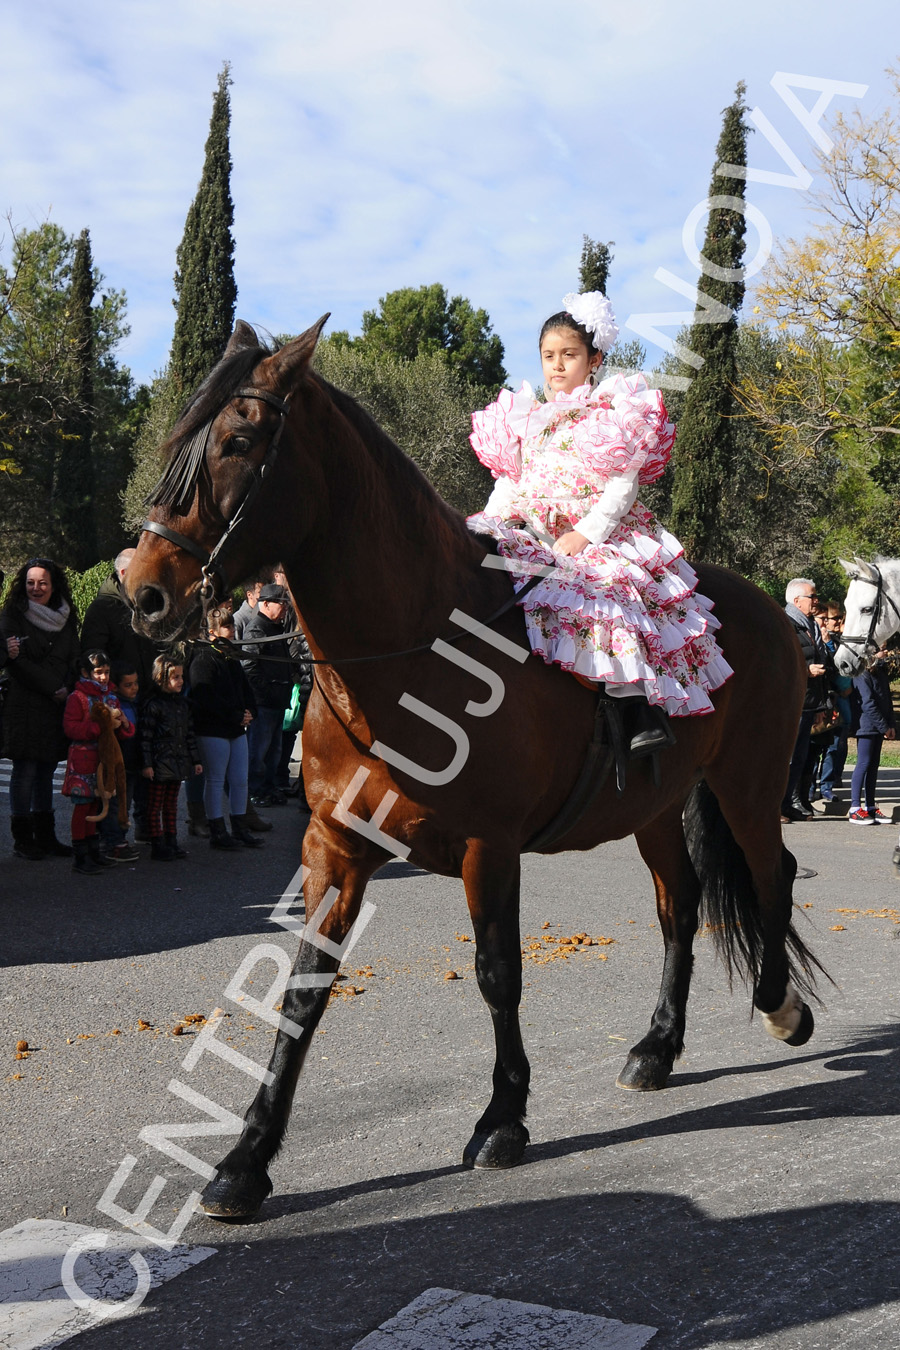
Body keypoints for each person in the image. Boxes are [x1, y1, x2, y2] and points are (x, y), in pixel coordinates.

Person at [468, 291, 732, 752]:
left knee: (614, 597)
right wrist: (489, 524)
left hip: (602, 537)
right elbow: (513, 482)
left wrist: (585, 534)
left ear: (594, 360)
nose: (556, 365)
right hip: (538, 538)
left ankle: (636, 711)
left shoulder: (613, 411)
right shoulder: (525, 419)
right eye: (548, 355)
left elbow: (622, 487)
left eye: (569, 354)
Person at [0, 557, 80, 860]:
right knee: (25, 771)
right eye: (31, 582)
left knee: (47, 770)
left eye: (42, 582)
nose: (36, 588)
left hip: (56, 705)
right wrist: (53, 688)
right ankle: (23, 839)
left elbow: (75, 655)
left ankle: (46, 836)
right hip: (24, 704)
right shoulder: (12, 615)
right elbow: (15, 662)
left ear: (53, 585)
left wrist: (68, 687)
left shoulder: (67, 616)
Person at [187, 607, 263, 850]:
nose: (232, 631)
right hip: (213, 730)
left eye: (232, 626)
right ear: (212, 632)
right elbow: (205, 697)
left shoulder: (231, 657)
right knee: (216, 779)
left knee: (240, 779)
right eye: (227, 627)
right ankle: (217, 830)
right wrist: (235, 716)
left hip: (235, 728)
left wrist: (250, 711)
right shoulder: (203, 658)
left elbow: (245, 689)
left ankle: (240, 827)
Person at [62, 649, 136, 875]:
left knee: (98, 803)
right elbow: (70, 727)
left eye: (106, 672)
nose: (103, 677)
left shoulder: (111, 697)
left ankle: (94, 851)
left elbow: (122, 732)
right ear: (85, 672)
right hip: (84, 758)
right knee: (83, 805)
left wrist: (124, 725)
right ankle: (80, 855)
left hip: (105, 760)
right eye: (98, 672)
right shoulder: (78, 698)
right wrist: (98, 727)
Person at [140, 654, 202, 862]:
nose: (180, 681)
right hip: (160, 762)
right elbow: (146, 737)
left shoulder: (183, 705)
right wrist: (147, 764)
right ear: (161, 678)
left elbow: (189, 734)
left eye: (181, 676)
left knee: (171, 804)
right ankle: (158, 844)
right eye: (175, 677)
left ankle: (172, 841)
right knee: (155, 805)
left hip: (177, 761)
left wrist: (196, 760)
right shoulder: (153, 705)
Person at [781, 579, 829, 822]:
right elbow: (778, 663)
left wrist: (820, 705)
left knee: (799, 758)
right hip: (789, 704)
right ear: (796, 601)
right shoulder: (785, 624)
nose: (816, 601)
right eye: (812, 596)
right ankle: (775, 806)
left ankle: (788, 803)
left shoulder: (809, 625)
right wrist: (806, 671)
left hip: (808, 702)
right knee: (786, 757)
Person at [242, 584, 295, 806]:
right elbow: (249, 667)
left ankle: (269, 788)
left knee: (274, 752)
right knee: (259, 752)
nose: (284, 609)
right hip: (264, 703)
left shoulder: (276, 628)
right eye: (281, 604)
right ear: (265, 604)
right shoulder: (257, 629)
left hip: (277, 700)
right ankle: (255, 791)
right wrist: (266, 692)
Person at [97, 661, 142, 861]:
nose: (134, 688)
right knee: (113, 804)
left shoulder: (136, 703)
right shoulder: (114, 704)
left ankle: (119, 838)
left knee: (126, 803)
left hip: (132, 762)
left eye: (135, 683)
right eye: (128, 684)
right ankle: (111, 841)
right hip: (117, 762)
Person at [848, 652, 896, 825]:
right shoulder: (861, 674)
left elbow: (887, 700)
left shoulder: (880, 673)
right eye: (881, 649)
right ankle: (855, 808)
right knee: (863, 763)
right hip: (866, 726)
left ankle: (870, 806)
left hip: (880, 727)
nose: (885, 653)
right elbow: (867, 703)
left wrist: (891, 725)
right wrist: (883, 726)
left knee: (874, 766)